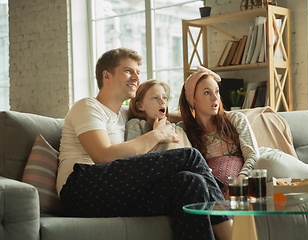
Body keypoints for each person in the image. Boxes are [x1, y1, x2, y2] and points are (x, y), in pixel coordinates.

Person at [56, 48, 232, 240]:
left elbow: (164, 113)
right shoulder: (88, 106)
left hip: (113, 194)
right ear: (106, 76)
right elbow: (103, 156)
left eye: (138, 73)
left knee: (191, 182)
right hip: (80, 190)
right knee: (189, 156)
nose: (135, 78)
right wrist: (157, 135)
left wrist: (208, 114)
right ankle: (234, 235)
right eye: (128, 71)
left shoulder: (124, 113)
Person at [178, 66, 308, 196]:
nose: (215, 98)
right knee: (272, 191)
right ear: (192, 99)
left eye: (217, 91)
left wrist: (241, 177)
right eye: (207, 93)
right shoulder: (184, 131)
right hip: (248, 187)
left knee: (266, 165)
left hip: (259, 166)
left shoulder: (235, 119)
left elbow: (252, 156)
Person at [125, 79, 192, 151]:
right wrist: (158, 133)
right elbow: (133, 155)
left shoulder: (175, 128)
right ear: (140, 106)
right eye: (155, 98)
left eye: (164, 97)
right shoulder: (136, 124)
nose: (162, 101)